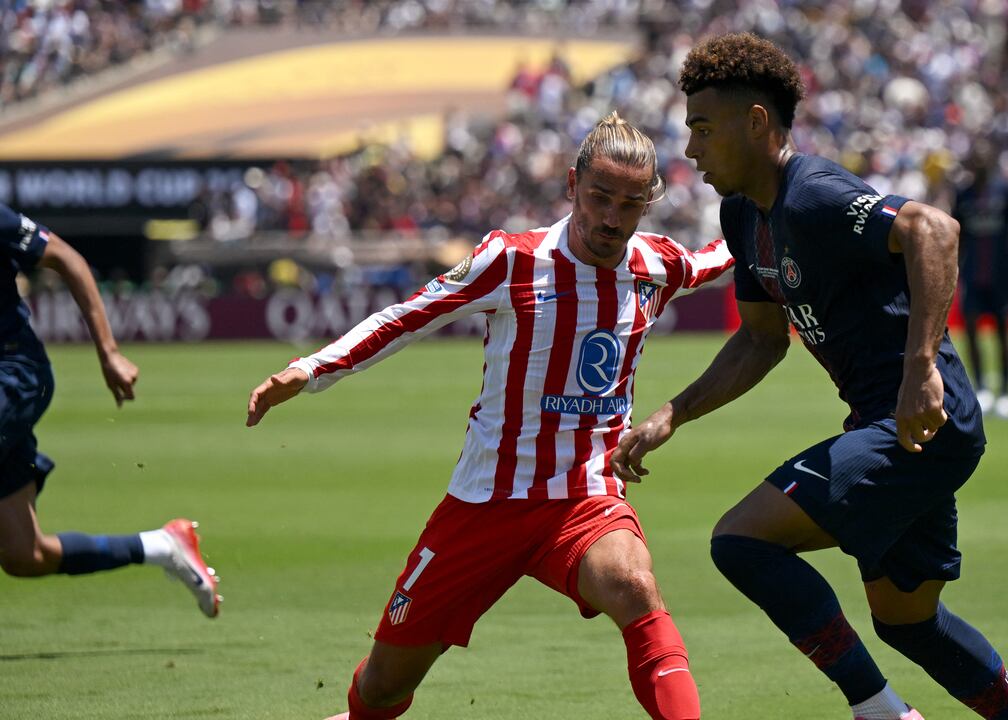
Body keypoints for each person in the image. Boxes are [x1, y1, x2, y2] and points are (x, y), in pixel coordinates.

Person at [613, 34, 1008, 720]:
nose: (691, 149)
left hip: (922, 417)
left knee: (741, 540)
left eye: (702, 128)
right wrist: (675, 413)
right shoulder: (742, 216)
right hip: (891, 423)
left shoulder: (813, 193)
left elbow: (934, 229)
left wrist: (920, 368)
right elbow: (760, 342)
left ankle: (881, 712)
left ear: (756, 123)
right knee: (906, 621)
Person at [245, 113, 732, 720]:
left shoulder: (656, 266)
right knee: (382, 688)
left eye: (630, 205)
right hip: (484, 504)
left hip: (584, 497)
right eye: (599, 197)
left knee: (634, 585)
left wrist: (788, 208)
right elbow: (408, 315)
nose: (611, 218)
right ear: (572, 184)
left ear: (649, 203)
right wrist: (313, 369)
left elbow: (725, 254)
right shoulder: (513, 261)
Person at [0, 203, 220, 619]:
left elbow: (67, 258)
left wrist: (110, 353)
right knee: (25, 555)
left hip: (12, 370)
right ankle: (161, 545)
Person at [951, 146, 1008, 419]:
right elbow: (955, 232)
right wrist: (953, 268)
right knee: (970, 329)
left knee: (1003, 331)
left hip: (1000, 273)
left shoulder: (1006, 192)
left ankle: (1005, 392)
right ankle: (981, 387)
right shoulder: (964, 195)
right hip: (972, 272)